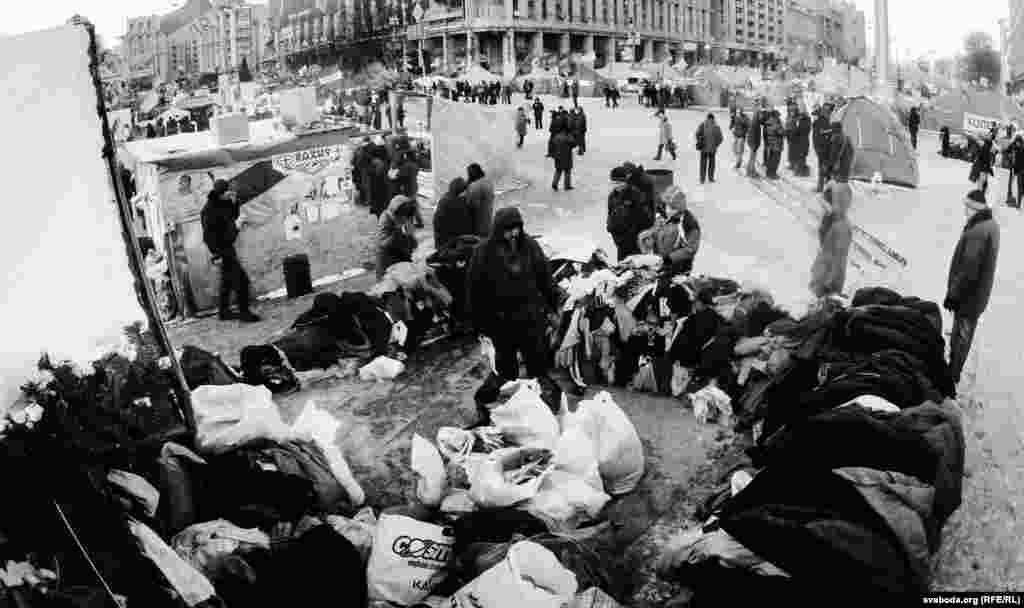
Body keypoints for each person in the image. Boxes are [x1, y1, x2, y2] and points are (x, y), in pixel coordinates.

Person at [466, 207, 558, 383]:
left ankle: (539, 396)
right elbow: (474, 290)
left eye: (516, 228)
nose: (513, 233)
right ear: (498, 230)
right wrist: (478, 324)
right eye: (508, 230)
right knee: (506, 370)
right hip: (500, 321)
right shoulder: (483, 252)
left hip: (529, 318)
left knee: (537, 365)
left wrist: (552, 305)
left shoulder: (530, 246)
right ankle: (512, 399)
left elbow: (545, 278)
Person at [944, 189, 1000, 387]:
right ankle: (954, 369)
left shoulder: (978, 231)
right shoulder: (990, 226)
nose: (964, 211)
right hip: (976, 295)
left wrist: (953, 294)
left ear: (975, 208)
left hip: (968, 296)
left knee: (961, 336)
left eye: (967, 207)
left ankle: (952, 374)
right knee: (963, 334)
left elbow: (968, 268)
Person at [201, 180, 260, 322]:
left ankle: (223, 312)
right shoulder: (209, 210)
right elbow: (209, 237)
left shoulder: (222, 202)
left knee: (227, 282)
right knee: (242, 281)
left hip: (227, 248)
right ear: (222, 193)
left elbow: (231, 217)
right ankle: (245, 313)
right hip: (221, 250)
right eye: (229, 192)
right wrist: (216, 254)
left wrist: (234, 204)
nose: (232, 194)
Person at [808, 178, 854, 299]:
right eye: (836, 202)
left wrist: (830, 280)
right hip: (825, 274)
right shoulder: (832, 220)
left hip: (829, 278)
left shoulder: (841, 226)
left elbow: (838, 258)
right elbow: (824, 244)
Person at [606, 165, 653, 261]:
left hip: (634, 242)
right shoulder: (612, 196)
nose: (616, 185)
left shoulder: (635, 195)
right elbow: (611, 214)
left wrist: (637, 236)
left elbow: (645, 218)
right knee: (622, 266)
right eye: (614, 183)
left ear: (626, 182)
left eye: (620, 182)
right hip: (620, 241)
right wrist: (611, 228)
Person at [653, 185, 701, 275]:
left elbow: (690, 249)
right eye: (667, 206)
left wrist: (669, 259)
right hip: (660, 263)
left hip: (679, 268)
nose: (668, 210)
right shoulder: (662, 216)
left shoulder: (689, 223)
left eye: (672, 208)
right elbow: (656, 232)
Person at [376, 194, 419, 279]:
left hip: (401, 260)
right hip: (387, 263)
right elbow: (384, 244)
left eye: (406, 215)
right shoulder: (385, 219)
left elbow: (412, 242)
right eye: (402, 215)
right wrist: (399, 232)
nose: (404, 218)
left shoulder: (406, 219)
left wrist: (411, 239)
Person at [433, 177, 473, 250]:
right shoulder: (458, 203)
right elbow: (465, 225)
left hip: (440, 241)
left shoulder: (445, 198)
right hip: (449, 244)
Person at [465, 162, 495, 237]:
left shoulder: (474, 186)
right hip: (488, 221)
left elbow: (470, 205)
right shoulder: (489, 183)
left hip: (478, 225)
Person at [696, 113, 724, 184]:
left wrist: (700, 140)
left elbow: (697, 134)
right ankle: (711, 178)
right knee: (712, 164)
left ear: (707, 118)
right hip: (712, 149)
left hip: (703, 148)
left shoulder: (702, 125)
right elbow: (720, 138)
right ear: (713, 118)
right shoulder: (716, 127)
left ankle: (702, 179)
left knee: (703, 164)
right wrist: (716, 144)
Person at [813, 103, 836, 192]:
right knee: (824, 167)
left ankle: (825, 186)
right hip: (822, 147)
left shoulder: (823, 119)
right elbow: (822, 132)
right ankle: (821, 187)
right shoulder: (822, 120)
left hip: (823, 147)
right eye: (827, 111)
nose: (829, 113)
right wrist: (832, 130)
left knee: (826, 167)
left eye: (829, 111)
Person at [789, 105, 813, 177]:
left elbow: (799, 131)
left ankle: (801, 172)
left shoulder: (804, 121)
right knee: (800, 156)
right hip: (802, 141)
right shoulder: (804, 120)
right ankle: (800, 171)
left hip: (802, 141)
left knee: (801, 156)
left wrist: (794, 130)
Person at [550, 125, 576, 191]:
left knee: (558, 170)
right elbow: (573, 144)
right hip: (566, 156)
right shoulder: (568, 137)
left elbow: (552, 145)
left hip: (558, 156)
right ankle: (567, 185)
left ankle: (554, 183)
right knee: (567, 171)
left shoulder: (556, 136)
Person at [763, 110, 785, 180]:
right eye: (778, 116)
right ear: (775, 116)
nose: (779, 117)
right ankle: (772, 174)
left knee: (771, 159)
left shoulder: (768, 122)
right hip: (776, 144)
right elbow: (781, 132)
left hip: (771, 143)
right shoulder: (775, 123)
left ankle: (769, 172)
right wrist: (784, 130)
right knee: (775, 160)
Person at [746, 106, 763, 178]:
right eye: (760, 115)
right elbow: (752, 135)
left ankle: (752, 170)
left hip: (754, 142)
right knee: (752, 157)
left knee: (753, 157)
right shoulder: (755, 124)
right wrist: (754, 145)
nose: (761, 117)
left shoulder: (756, 122)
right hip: (753, 143)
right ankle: (750, 171)